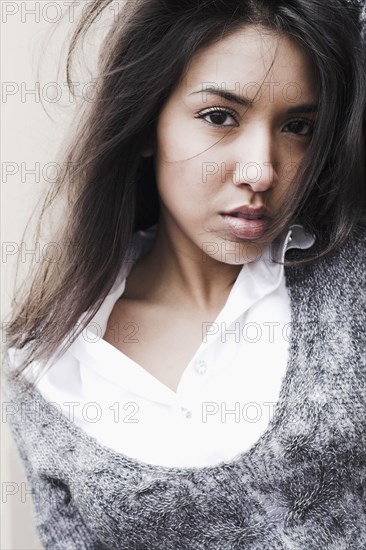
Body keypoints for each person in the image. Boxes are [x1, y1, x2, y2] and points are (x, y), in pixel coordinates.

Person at [2, 0, 366, 548]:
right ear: (148, 123)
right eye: (220, 116)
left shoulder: (351, 277)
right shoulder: (52, 364)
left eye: (298, 127)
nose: (261, 170)